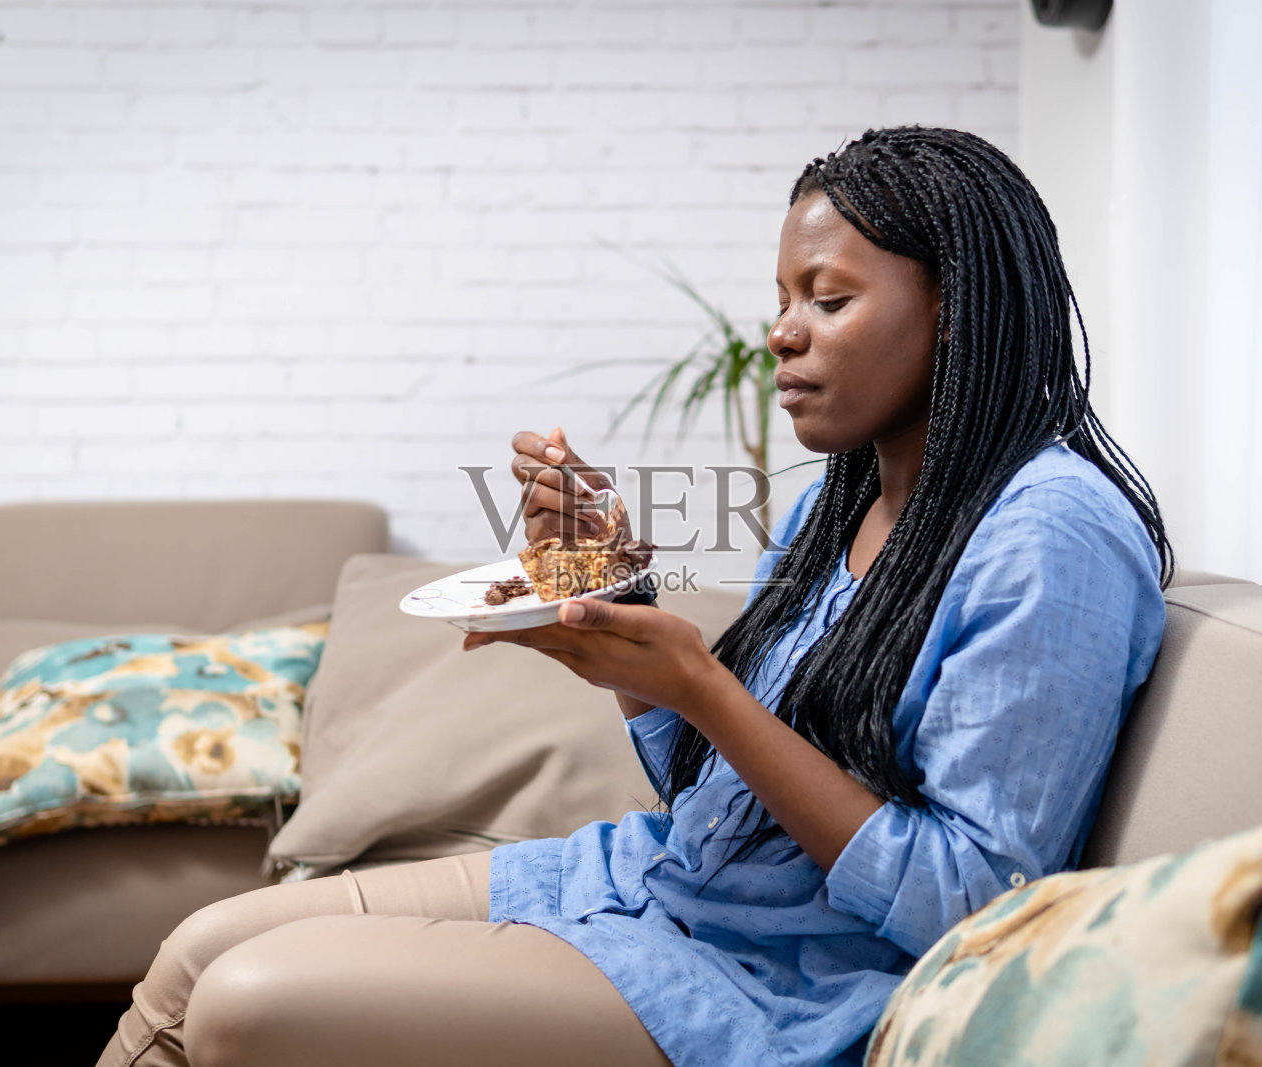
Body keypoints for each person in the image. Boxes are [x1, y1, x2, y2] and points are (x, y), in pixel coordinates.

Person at [98, 125, 1170, 1067]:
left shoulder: (1051, 533)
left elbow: (974, 902)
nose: (782, 333)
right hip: (661, 883)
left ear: (952, 310)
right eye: (783, 300)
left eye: (828, 299)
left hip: (781, 981)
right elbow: (711, 794)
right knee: (200, 946)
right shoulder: (839, 506)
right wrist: (614, 603)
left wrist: (703, 686)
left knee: (240, 1007)